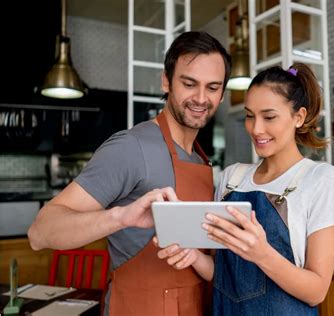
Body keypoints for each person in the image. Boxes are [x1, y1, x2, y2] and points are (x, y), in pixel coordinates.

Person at [27, 31, 231, 316]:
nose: (200, 98)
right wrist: (120, 216)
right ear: (166, 81)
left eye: (212, 87)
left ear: (222, 94)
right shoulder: (131, 147)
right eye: (189, 83)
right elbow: (40, 232)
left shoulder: (201, 159)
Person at [158, 63, 334, 315]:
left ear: (299, 117)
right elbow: (224, 275)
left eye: (269, 117)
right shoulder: (232, 178)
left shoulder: (321, 179)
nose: (256, 129)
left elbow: (316, 291)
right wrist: (193, 255)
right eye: (250, 116)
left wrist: (261, 254)